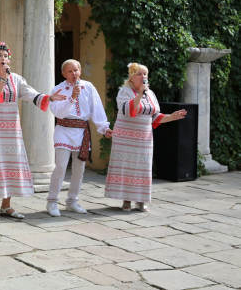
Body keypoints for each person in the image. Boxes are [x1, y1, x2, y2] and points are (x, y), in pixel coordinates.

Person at [0, 42, 65, 223]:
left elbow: (29, 93)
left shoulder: (16, 78)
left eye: (5, 55)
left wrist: (48, 97)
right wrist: (2, 80)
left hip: (11, 128)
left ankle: (6, 205)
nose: (3, 59)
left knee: (11, 164)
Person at [105, 62, 186, 211]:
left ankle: (141, 200)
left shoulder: (151, 94)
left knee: (143, 167)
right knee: (127, 167)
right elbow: (128, 110)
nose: (143, 77)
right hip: (125, 137)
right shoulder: (124, 91)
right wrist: (140, 94)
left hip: (144, 137)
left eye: (145, 74)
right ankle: (127, 200)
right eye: (139, 74)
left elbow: (155, 117)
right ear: (131, 77)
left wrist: (172, 117)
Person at [46, 59, 112, 217]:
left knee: (79, 169)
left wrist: (104, 128)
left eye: (76, 70)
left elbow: (96, 108)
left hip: (82, 132)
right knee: (61, 166)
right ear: (63, 73)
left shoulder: (88, 87)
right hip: (64, 130)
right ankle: (52, 201)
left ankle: (72, 201)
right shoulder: (58, 89)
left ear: (80, 71)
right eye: (70, 71)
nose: (73, 73)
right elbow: (58, 112)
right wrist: (72, 98)